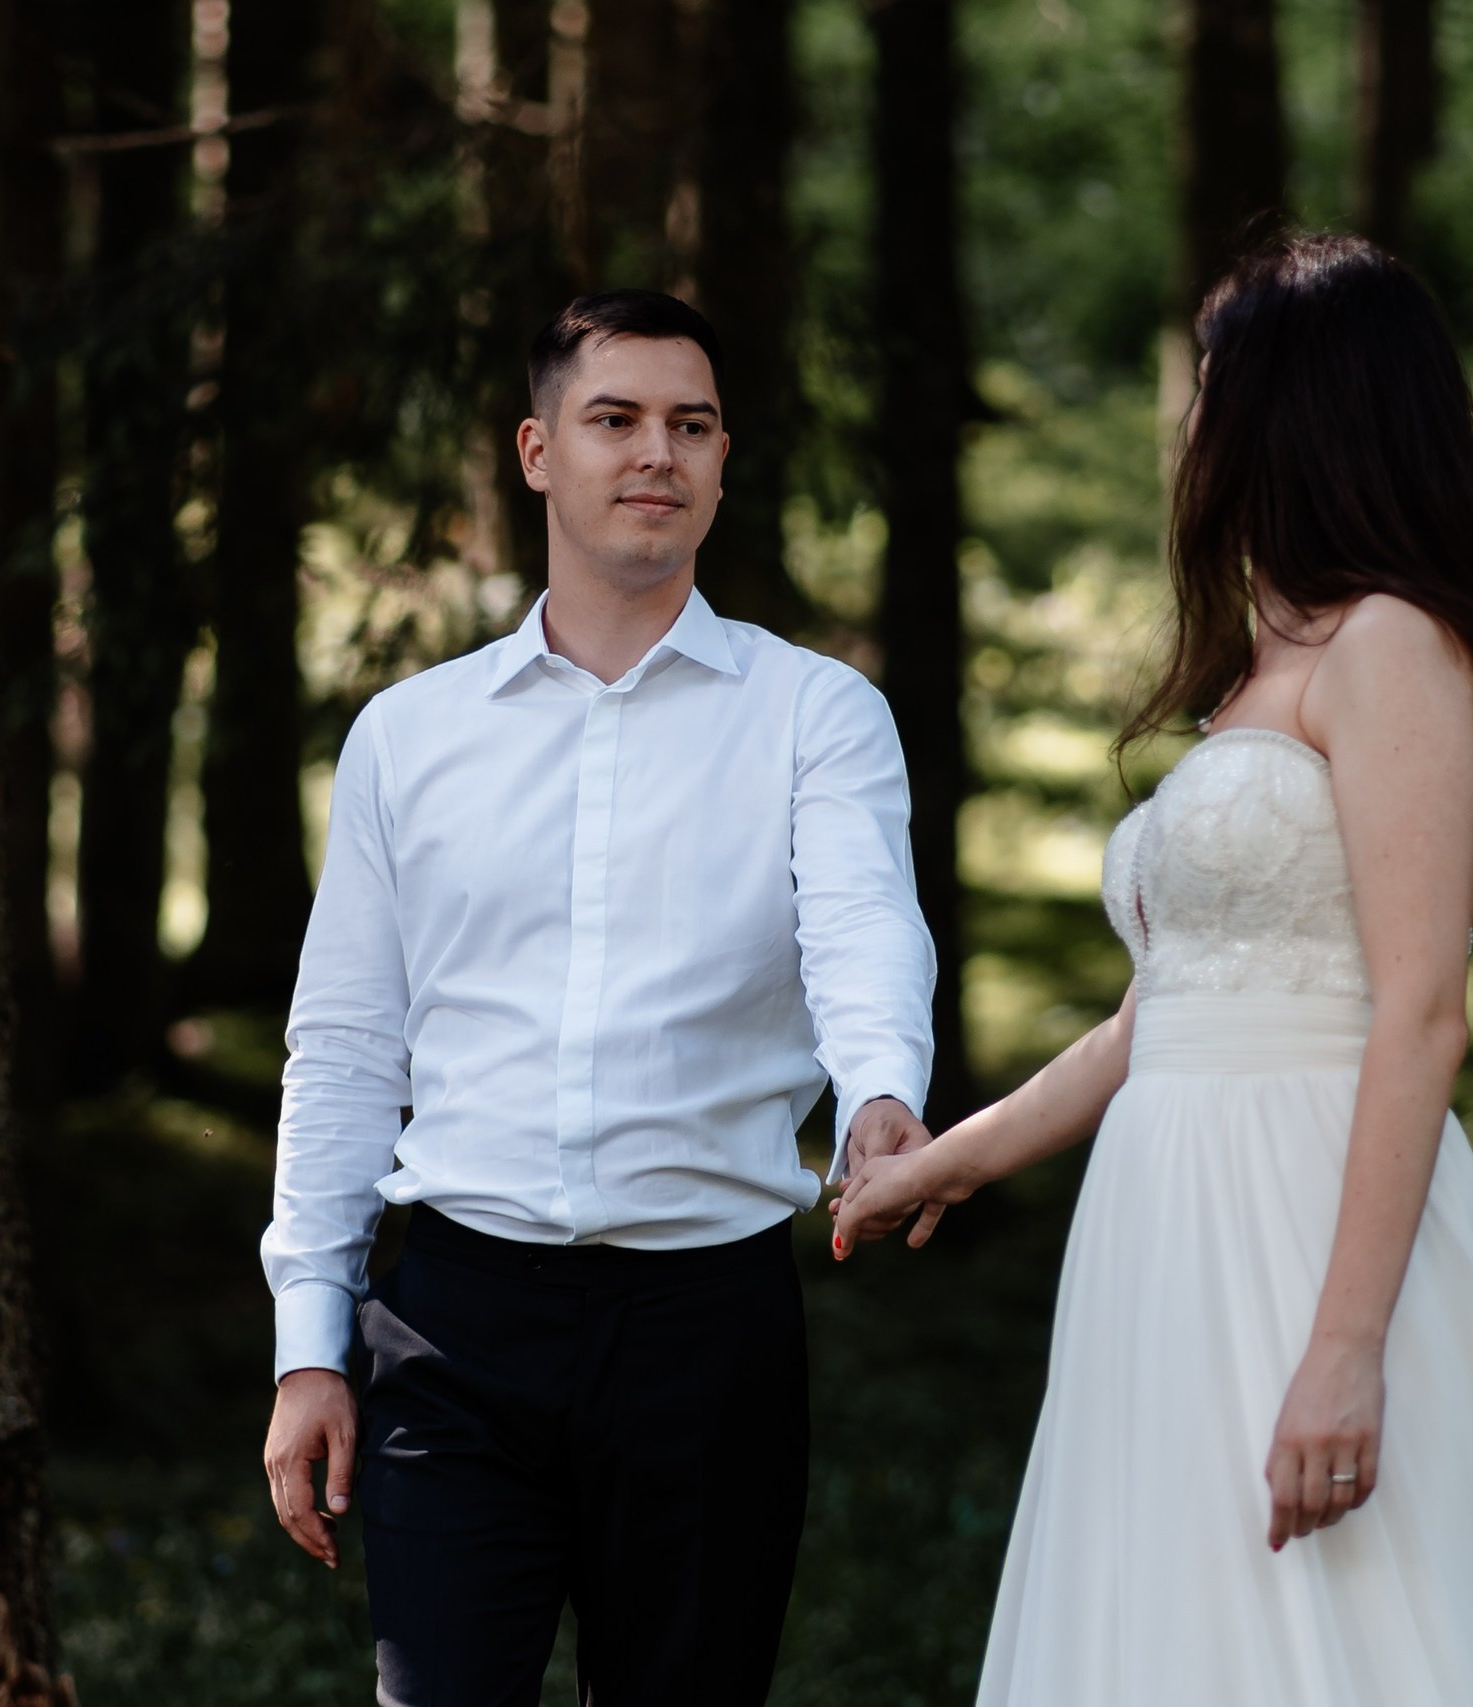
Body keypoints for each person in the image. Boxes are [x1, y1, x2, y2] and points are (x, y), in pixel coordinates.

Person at [834, 232, 1473, 1703]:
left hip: (1310, 1211)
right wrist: (952, 1160)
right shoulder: (1268, 663)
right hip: (1165, 1221)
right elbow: (1157, 1019)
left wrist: (1344, 1349)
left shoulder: (1395, 646)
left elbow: (1422, 1009)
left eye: (1213, 385)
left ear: (1303, 407)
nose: (1192, 422)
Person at [259, 288, 938, 1702]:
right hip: (451, 1326)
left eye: (691, 425)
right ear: (534, 452)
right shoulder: (409, 737)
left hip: (708, 1335)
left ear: (723, 461)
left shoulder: (816, 714)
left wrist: (884, 1096)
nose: (657, 454)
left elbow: (866, 933)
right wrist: (308, 1344)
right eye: (615, 419)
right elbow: (341, 1050)